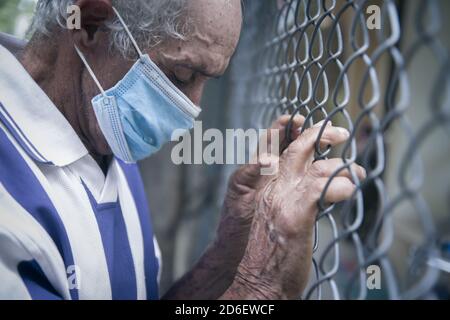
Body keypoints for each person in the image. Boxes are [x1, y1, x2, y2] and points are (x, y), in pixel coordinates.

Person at [0, 0, 365, 300]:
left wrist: (231, 249)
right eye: (182, 75)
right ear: (92, 23)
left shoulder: (103, 128)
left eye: (207, 80)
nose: (193, 110)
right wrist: (263, 286)